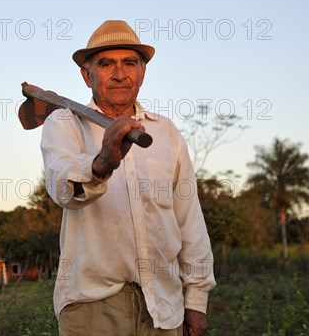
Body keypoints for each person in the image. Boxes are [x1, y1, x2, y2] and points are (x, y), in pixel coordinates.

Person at [41, 20, 215, 335]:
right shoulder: (64, 123)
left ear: (142, 72)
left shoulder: (165, 132)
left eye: (129, 63)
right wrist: (102, 162)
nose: (120, 74)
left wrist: (196, 300)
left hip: (165, 305)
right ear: (87, 74)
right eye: (106, 64)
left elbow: (189, 219)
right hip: (93, 306)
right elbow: (62, 188)